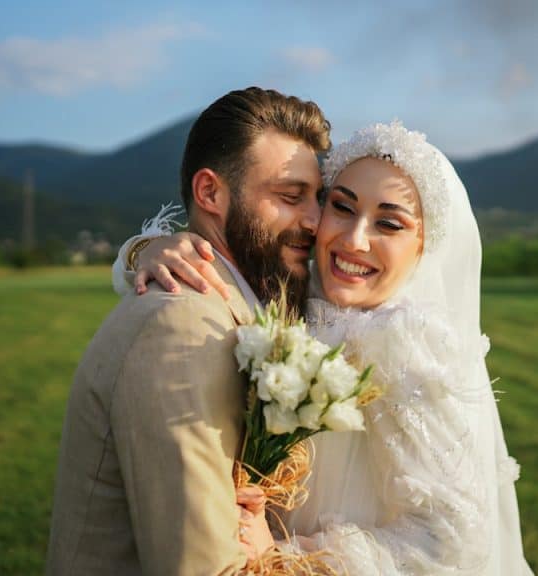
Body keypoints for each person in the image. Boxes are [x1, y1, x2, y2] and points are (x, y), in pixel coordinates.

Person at [115, 121, 535, 574]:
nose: (353, 240)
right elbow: (195, 276)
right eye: (342, 207)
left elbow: (451, 540)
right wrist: (152, 249)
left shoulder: (410, 348)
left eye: (389, 223)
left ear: (424, 248)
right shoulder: (303, 294)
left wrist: (288, 554)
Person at [45, 87, 331, 575]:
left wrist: (141, 247)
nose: (315, 221)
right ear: (210, 193)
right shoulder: (181, 326)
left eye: (318, 198)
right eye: (290, 196)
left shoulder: (250, 301)